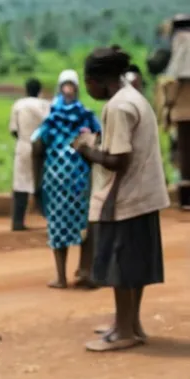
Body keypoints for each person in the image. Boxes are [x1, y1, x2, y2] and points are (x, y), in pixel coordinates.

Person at [73, 45, 171, 352]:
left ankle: (125, 331)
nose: (87, 88)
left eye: (88, 81)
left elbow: (119, 160)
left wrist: (86, 149)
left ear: (98, 80)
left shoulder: (117, 106)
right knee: (134, 265)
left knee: (121, 266)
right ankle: (130, 324)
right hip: (144, 194)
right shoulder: (133, 97)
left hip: (125, 197)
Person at [31, 69, 101, 289]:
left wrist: (37, 180)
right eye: (66, 86)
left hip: (61, 178)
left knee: (69, 225)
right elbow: (98, 140)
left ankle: (73, 274)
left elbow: (36, 146)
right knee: (78, 225)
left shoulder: (52, 117)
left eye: (71, 86)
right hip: (75, 179)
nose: (69, 91)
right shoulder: (85, 116)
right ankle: (79, 272)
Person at [9, 77, 50, 230]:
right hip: (42, 147)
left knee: (20, 184)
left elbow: (14, 130)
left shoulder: (18, 105)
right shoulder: (46, 105)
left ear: (26, 90)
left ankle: (17, 222)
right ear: (39, 90)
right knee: (43, 182)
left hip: (23, 146)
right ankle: (51, 219)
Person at [161, 15, 190, 209]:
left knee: (185, 156)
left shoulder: (182, 45)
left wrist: (166, 107)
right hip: (182, 113)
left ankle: (186, 199)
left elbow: (174, 81)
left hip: (183, 114)